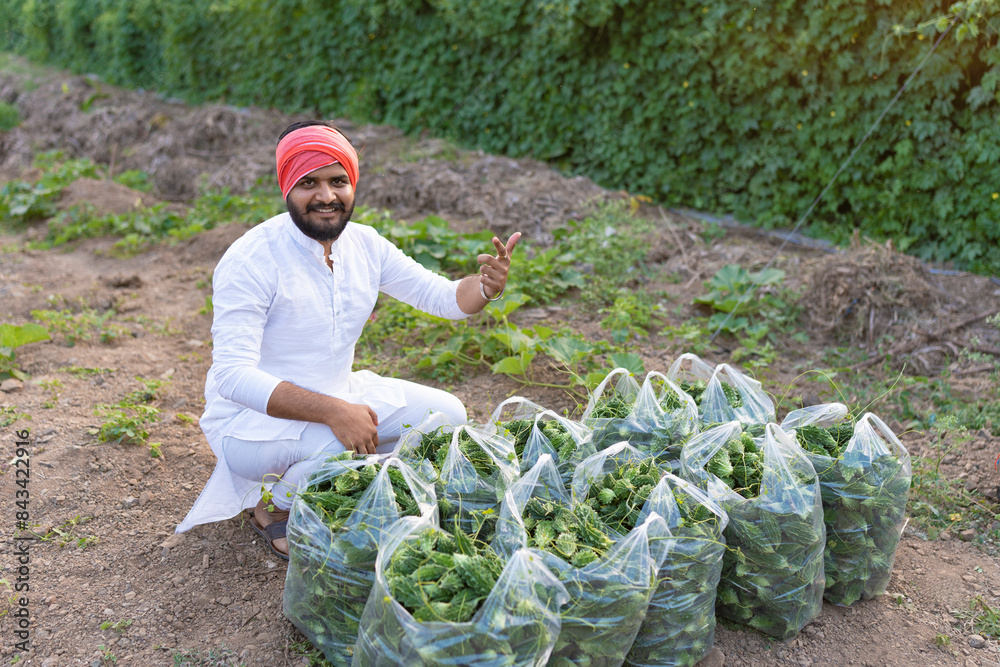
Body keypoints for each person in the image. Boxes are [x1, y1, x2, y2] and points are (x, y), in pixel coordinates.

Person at [174, 120, 520, 559]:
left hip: (338, 397)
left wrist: (486, 286)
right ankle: (273, 507)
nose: (325, 196)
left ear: (352, 184)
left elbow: (443, 298)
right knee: (343, 448)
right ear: (286, 188)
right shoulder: (251, 258)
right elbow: (233, 376)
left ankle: (334, 482)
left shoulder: (365, 245)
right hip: (249, 424)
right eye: (308, 183)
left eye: (338, 181)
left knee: (446, 414)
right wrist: (335, 413)